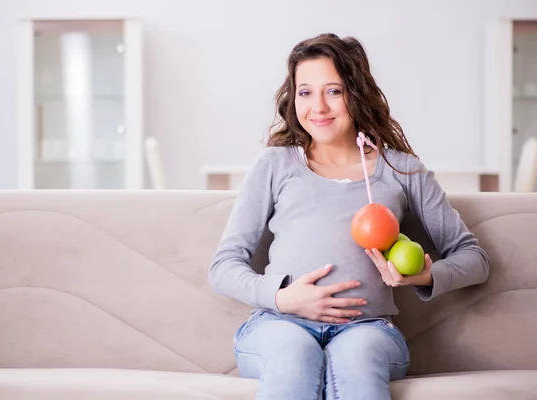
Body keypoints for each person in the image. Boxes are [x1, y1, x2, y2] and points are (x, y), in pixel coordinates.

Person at [207, 33, 490, 400]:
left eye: (334, 91)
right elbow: (224, 266)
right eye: (305, 92)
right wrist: (281, 298)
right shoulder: (274, 165)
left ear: (356, 94)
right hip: (278, 324)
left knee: (356, 358)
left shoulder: (400, 170)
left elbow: (475, 259)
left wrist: (423, 275)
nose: (318, 107)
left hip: (369, 329)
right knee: (295, 354)